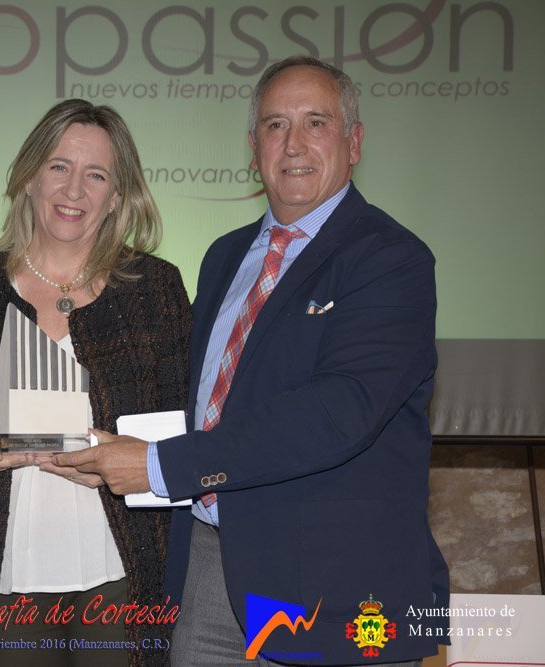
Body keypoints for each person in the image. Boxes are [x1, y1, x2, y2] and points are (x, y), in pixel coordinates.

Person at [55, 56, 450, 666]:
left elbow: (338, 412)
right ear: (253, 147)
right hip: (210, 572)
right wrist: (93, 442)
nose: (293, 144)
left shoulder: (391, 260)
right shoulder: (225, 256)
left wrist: (160, 465)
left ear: (354, 142)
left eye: (316, 123)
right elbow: (197, 396)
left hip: (336, 593)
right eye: (274, 125)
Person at [0, 99, 191, 666]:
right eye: (59, 167)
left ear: (117, 196)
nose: (74, 190)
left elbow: (183, 430)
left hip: (125, 570)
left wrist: (125, 460)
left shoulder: (154, 289)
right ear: (29, 177)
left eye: (96, 175)